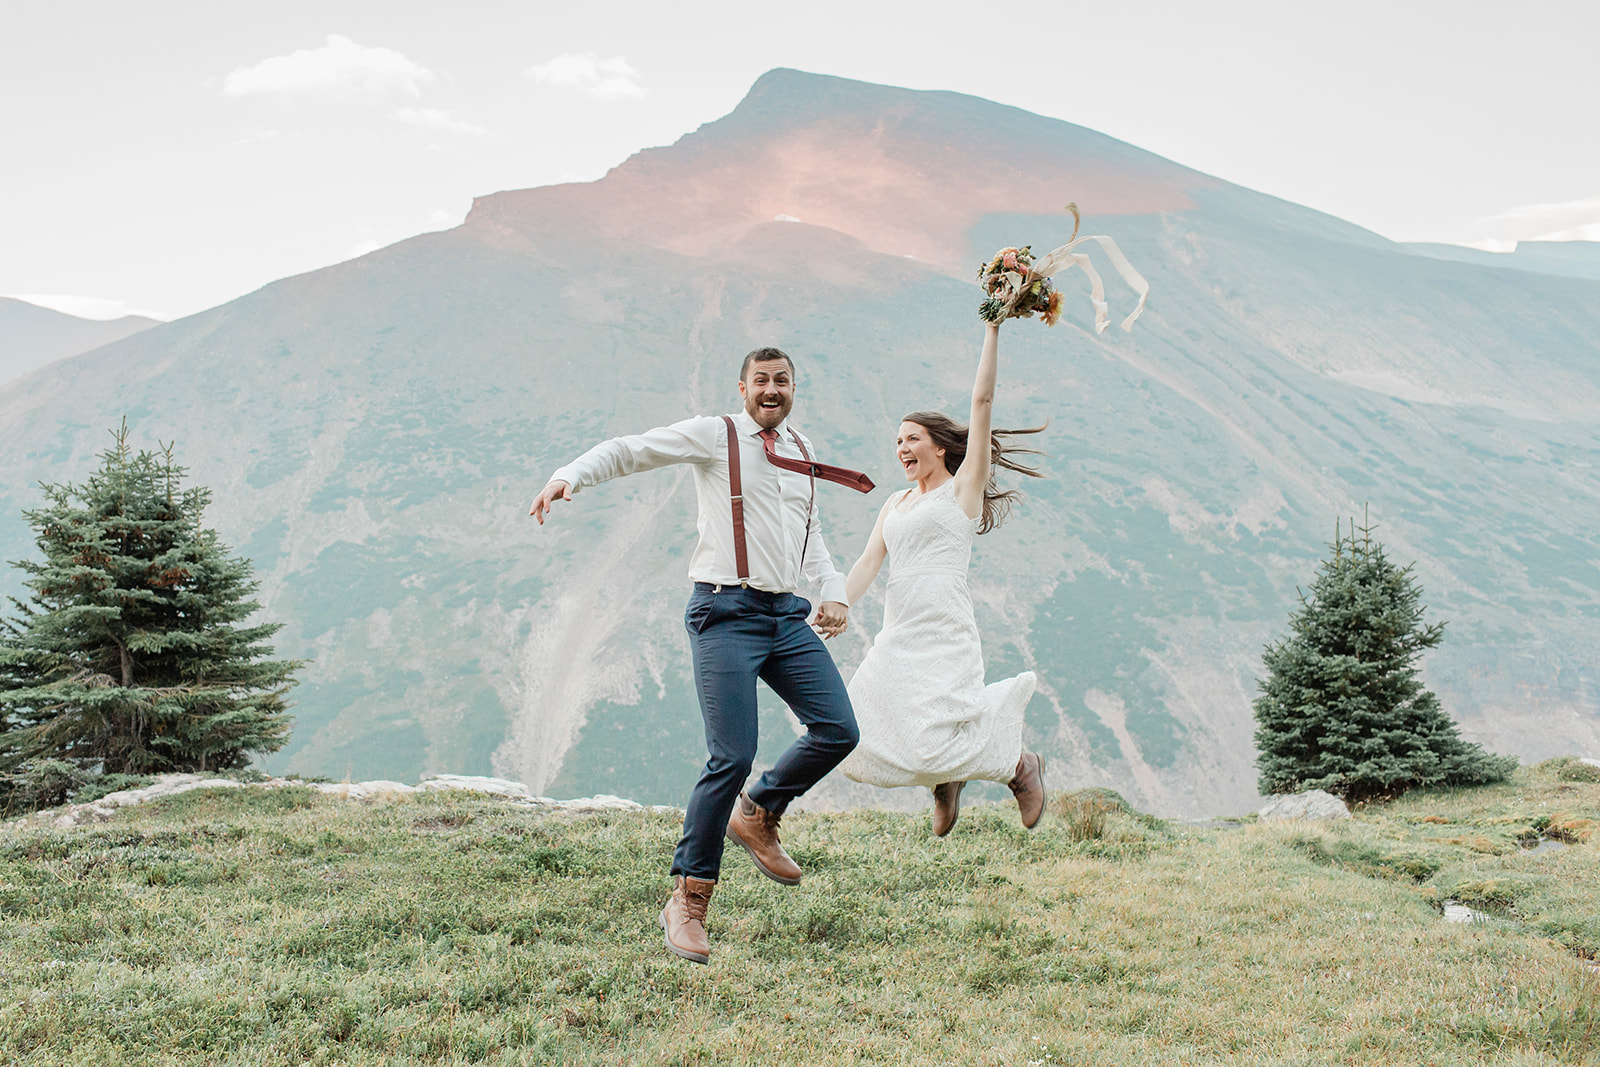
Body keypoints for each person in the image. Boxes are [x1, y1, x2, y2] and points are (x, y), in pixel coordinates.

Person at [528, 347, 874, 965]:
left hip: (785, 615)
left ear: (795, 388)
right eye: (761, 381)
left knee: (839, 729)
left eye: (782, 381)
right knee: (731, 755)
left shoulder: (799, 445)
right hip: (724, 614)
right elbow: (632, 449)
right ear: (742, 387)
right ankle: (689, 900)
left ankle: (760, 812)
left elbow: (809, 530)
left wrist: (833, 591)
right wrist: (569, 475)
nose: (772, 390)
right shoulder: (716, 437)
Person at [838, 321, 1048, 835]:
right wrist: (834, 604)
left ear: (938, 447)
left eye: (912, 438)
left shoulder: (962, 491)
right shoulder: (894, 502)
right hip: (900, 630)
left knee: (933, 734)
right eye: (897, 441)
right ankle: (947, 780)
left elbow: (982, 401)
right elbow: (868, 563)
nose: (902, 448)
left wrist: (993, 328)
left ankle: (1018, 766)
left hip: (945, 625)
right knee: (855, 733)